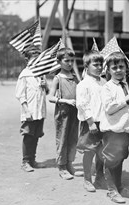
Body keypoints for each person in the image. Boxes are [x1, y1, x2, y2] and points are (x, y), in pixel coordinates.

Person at [98, 52, 129, 203]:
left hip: (125, 129)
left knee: (120, 159)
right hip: (113, 130)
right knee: (111, 159)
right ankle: (111, 190)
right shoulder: (107, 87)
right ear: (108, 70)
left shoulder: (127, 85)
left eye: (121, 66)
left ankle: (119, 185)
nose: (118, 70)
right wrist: (125, 100)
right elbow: (109, 108)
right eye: (114, 67)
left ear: (126, 68)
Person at [48, 47, 83, 180]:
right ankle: (62, 167)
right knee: (62, 139)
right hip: (63, 113)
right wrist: (65, 101)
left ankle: (70, 165)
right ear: (59, 61)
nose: (69, 63)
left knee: (73, 139)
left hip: (75, 112)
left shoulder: (74, 77)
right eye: (66, 60)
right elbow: (50, 97)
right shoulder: (57, 78)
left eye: (71, 61)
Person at [76, 50, 106, 192]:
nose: (99, 67)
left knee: (102, 151)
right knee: (90, 151)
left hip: (104, 122)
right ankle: (87, 180)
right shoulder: (83, 84)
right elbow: (82, 104)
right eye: (95, 64)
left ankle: (100, 174)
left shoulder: (104, 82)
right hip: (91, 123)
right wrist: (90, 122)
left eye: (101, 64)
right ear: (86, 66)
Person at [15, 45, 48, 172]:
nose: (35, 62)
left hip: (40, 110)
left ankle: (32, 160)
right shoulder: (25, 74)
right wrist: (26, 110)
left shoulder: (41, 73)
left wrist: (46, 86)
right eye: (32, 59)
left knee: (36, 135)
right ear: (27, 60)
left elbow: (46, 91)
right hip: (30, 110)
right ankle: (25, 161)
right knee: (28, 135)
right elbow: (20, 94)